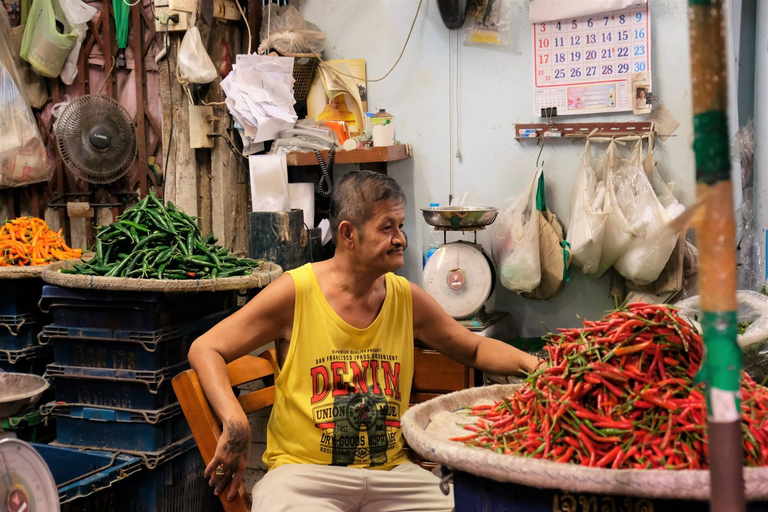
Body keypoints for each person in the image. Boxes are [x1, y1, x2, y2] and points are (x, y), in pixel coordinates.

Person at [188, 170, 541, 511]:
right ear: (348, 233)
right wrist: (235, 422)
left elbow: (475, 348)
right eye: (387, 228)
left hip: (393, 477)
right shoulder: (296, 293)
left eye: (400, 227)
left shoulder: (406, 298)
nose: (401, 238)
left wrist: (536, 366)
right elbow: (206, 347)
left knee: (477, 506)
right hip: (304, 477)